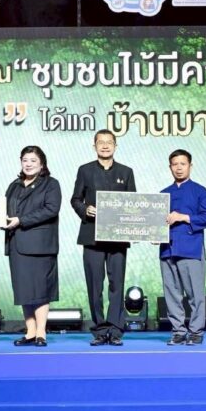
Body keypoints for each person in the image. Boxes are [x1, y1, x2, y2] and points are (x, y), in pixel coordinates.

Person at [70, 129, 136, 346]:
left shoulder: (126, 172)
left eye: (109, 142)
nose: (105, 146)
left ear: (115, 146)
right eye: (101, 142)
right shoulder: (85, 170)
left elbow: (134, 205)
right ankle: (99, 330)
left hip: (118, 238)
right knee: (95, 286)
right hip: (92, 237)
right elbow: (75, 199)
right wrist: (85, 209)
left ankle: (115, 330)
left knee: (117, 284)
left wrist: (137, 228)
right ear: (94, 146)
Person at [4, 145, 61, 347]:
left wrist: (21, 220)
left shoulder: (51, 184)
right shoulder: (14, 185)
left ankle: (41, 332)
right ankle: (30, 331)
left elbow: (51, 209)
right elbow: (5, 211)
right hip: (17, 245)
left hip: (40, 246)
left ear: (42, 164)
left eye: (33, 160)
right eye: (25, 160)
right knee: (24, 290)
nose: (28, 164)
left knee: (40, 290)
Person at [159, 149, 206, 345]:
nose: (179, 168)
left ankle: (196, 332)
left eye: (183, 164)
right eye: (175, 164)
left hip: (191, 248)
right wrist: (154, 235)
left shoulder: (200, 191)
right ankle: (178, 331)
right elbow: (155, 222)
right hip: (167, 249)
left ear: (190, 166)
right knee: (172, 294)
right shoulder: (163, 194)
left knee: (195, 294)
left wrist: (183, 217)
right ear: (170, 167)